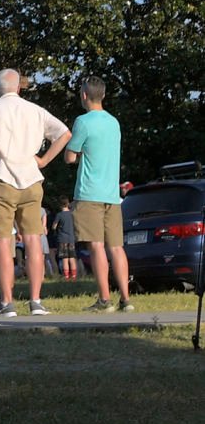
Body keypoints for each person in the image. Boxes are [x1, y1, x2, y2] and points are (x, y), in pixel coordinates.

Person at [0, 69, 71, 318]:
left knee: (2, 242)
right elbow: (65, 133)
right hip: (32, 179)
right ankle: (36, 301)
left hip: (2, 177)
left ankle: (6, 302)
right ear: (19, 88)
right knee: (33, 240)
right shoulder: (34, 110)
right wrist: (43, 160)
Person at [65, 76, 129, 312]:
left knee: (96, 246)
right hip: (112, 195)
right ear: (103, 95)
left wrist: (80, 154)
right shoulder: (114, 122)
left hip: (89, 193)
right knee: (117, 247)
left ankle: (104, 299)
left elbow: (70, 156)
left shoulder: (82, 122)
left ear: (84, 95)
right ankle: (126, 298)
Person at [51, 202, 79, 281]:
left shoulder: (59, 215)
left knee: (65, 258)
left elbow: (54, 226)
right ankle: (74, 276)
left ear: (60, 205)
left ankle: (66, 276)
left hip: (62, 239)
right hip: (71, 238)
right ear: (67, 204)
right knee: (72, 258)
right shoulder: (72, 214)